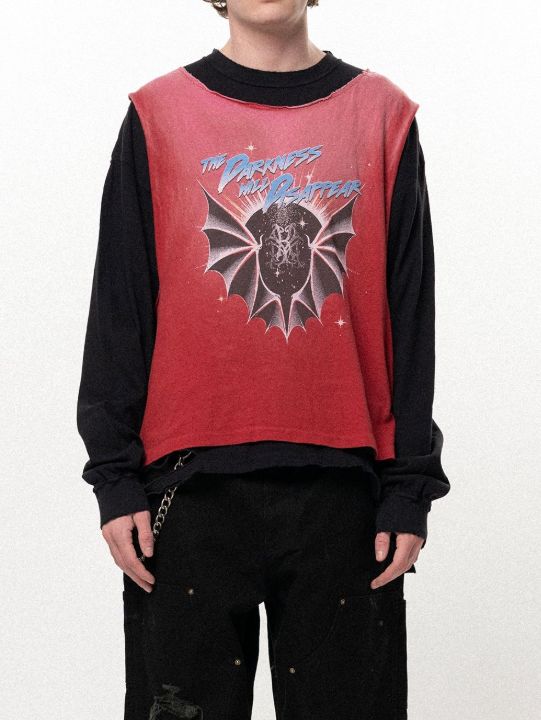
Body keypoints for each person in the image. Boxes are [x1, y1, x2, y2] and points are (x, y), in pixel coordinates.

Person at [76, 1, 451, 718]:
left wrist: (409, 484)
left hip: (345, 491)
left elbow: (410, 313)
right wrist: (115, 477)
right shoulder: (159, 115)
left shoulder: (382, 115)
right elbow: (121, 303)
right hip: (187, 490)